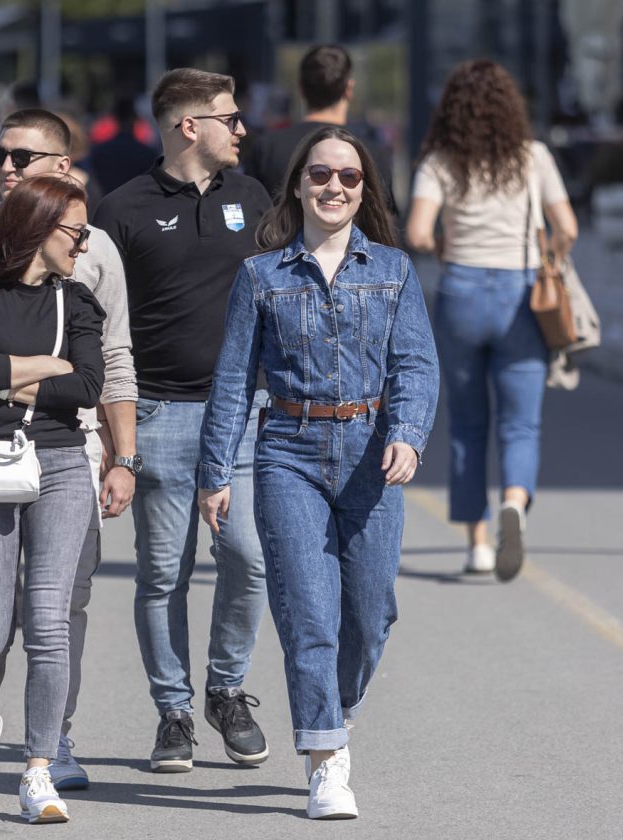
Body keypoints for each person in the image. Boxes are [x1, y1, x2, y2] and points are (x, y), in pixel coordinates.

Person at [198, 125, 439, 820]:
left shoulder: (392, 271)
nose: (334, 187)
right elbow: (234, 381)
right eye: (320, 175)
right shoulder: (261, 276)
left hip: (371, 454)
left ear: (364, 191)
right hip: (288, 453)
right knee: (308, 615)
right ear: (299, 184)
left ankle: (335, 707)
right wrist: (216, 472)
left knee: (370, 614)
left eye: (349, 178)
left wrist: (409, 436)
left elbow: (416, 365)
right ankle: (326, 759)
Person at [0, 109, 138, 790]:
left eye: (22, 156)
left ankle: (51, 742)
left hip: (72, 446)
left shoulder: (92, 251)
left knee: (60, 607)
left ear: (62, 166)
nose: (5, 165)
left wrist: (123, 455)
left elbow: (109, 366)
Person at [93, 68, 273, 773]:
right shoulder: (123, 209)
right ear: (189, 126)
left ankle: (226, 691)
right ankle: (173, 710)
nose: (242, 129)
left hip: (242, 416)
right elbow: (97, 321)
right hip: (158, 410)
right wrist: (115, 435)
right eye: (231, 117)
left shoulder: (251, 195)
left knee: (249, 560)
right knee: (163, 572)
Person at [0, 176, 104, 823]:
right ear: (36, 228)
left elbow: (86, 384)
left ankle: (38, 768)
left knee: (48, 620)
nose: (83, 245)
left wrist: (7, 370)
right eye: (75, 233)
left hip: (62, 463)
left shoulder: (80, 302)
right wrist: (45, 367)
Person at [406, 59, 578, 581]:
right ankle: (514, 502)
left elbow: (415, 234)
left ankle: (478, 543)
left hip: (460, 290)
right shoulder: (534, 157)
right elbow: (566, 226)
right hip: (521, 293)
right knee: (520, 423)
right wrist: (546, 252)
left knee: (467, 425)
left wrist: (445, 245)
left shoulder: (440, 160)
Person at [245, 45, 394, 210]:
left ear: (300, 88)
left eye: (349, 177)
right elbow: (385, 218)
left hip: (278, 235)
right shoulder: (370, 152)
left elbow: (252, 210)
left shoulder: (267, 147)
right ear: (349, 89)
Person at [88, 97, 157, 195]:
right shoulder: (148, 154)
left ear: (115, 118)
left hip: (109, 204)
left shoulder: (100, 151)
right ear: (135, 118)